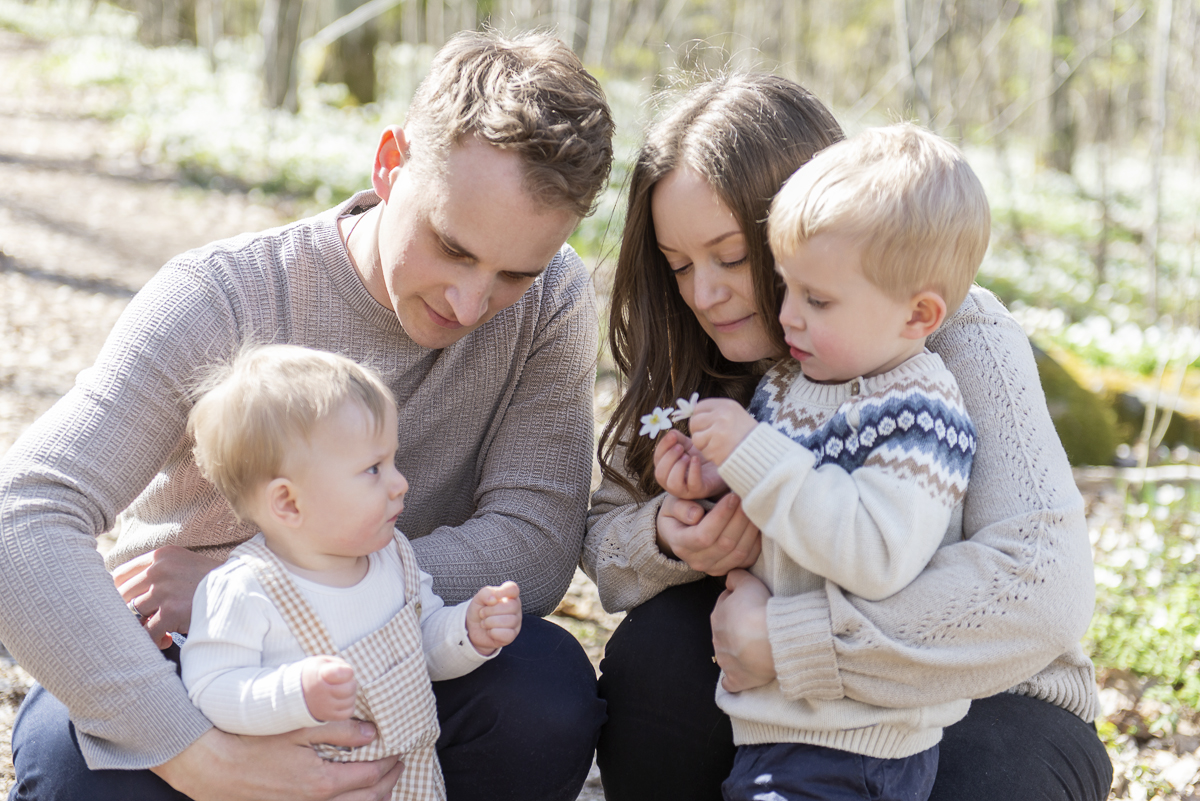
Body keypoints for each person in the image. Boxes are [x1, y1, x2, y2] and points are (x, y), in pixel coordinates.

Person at [0, 29, 612, 801]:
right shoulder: (222, 295)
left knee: (544, 695)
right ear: (390, 163)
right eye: (451, 248)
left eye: (511, 274)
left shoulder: (552, 300)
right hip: (197, 650)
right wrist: (200, 758)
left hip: (400, 644)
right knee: (69, 761)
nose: (469, 304)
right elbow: (22, 510)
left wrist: (273, 581)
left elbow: (536, 541)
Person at [583, 73, 1111, 801]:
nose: (702, 293)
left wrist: (799, 642)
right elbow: (607, 545)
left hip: (982, 696)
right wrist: (671, 536)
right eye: (679, 266)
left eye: (732, 257)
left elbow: (1043, 591)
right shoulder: (697, 349)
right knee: (659, 655)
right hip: (781, 717)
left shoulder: (954, 336)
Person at [650, 123, 986, 801]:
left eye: (818, 300)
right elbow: (795, 497)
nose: (789, 317)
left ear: (918, 313)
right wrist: (718, 475)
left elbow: (872, 551)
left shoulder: (922, 410)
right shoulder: (793, 382)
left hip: (861, 737)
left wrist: (755, 453)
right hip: (780, 720)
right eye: (786, 287)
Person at [181, 344, 523, 801]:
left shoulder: (393, 557)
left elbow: (418, 648)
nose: (400, 483)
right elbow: (211, 688)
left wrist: (467, 632)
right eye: (373, 469)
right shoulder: (244, 589)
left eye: (392, 461)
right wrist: (294, 693)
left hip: (410, 784)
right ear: (288, 502)